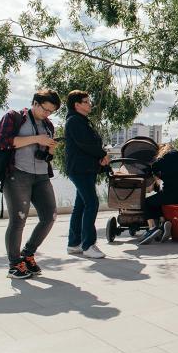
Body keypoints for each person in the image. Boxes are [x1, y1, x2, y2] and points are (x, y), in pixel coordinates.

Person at [0, 89, 61, 279]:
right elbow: (4, 142)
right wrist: (36, 139)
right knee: (18, 220)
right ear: (34, 103)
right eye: (45, 109)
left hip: (41, 175)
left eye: (51, 111)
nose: (47, 114)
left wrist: (50, 149)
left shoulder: (48, 125)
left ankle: (28, 254)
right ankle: (14, 264)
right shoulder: (14, 117)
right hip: (17, 174)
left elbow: (46, 157)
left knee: (50, 216)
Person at [65, 90, 109, 259]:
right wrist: (102, 154)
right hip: (80, 169)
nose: (90, 104)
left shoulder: (80, 120)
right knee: (92, 203)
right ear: (77, 105)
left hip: (85, 168)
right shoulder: (75, 121)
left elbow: (88, 144)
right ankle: (88, 245)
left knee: (81, 205)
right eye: (86, 102)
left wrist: (100, 158)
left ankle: (74, 243)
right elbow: (85, 144)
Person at [138, 144, 178, 244]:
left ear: (163, 151)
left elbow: (153, 168)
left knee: (147, 202)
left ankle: (152, 228)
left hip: (171, 193)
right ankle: (164, 224)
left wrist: (162, 176)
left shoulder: (164, 158)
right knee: (160, 201)